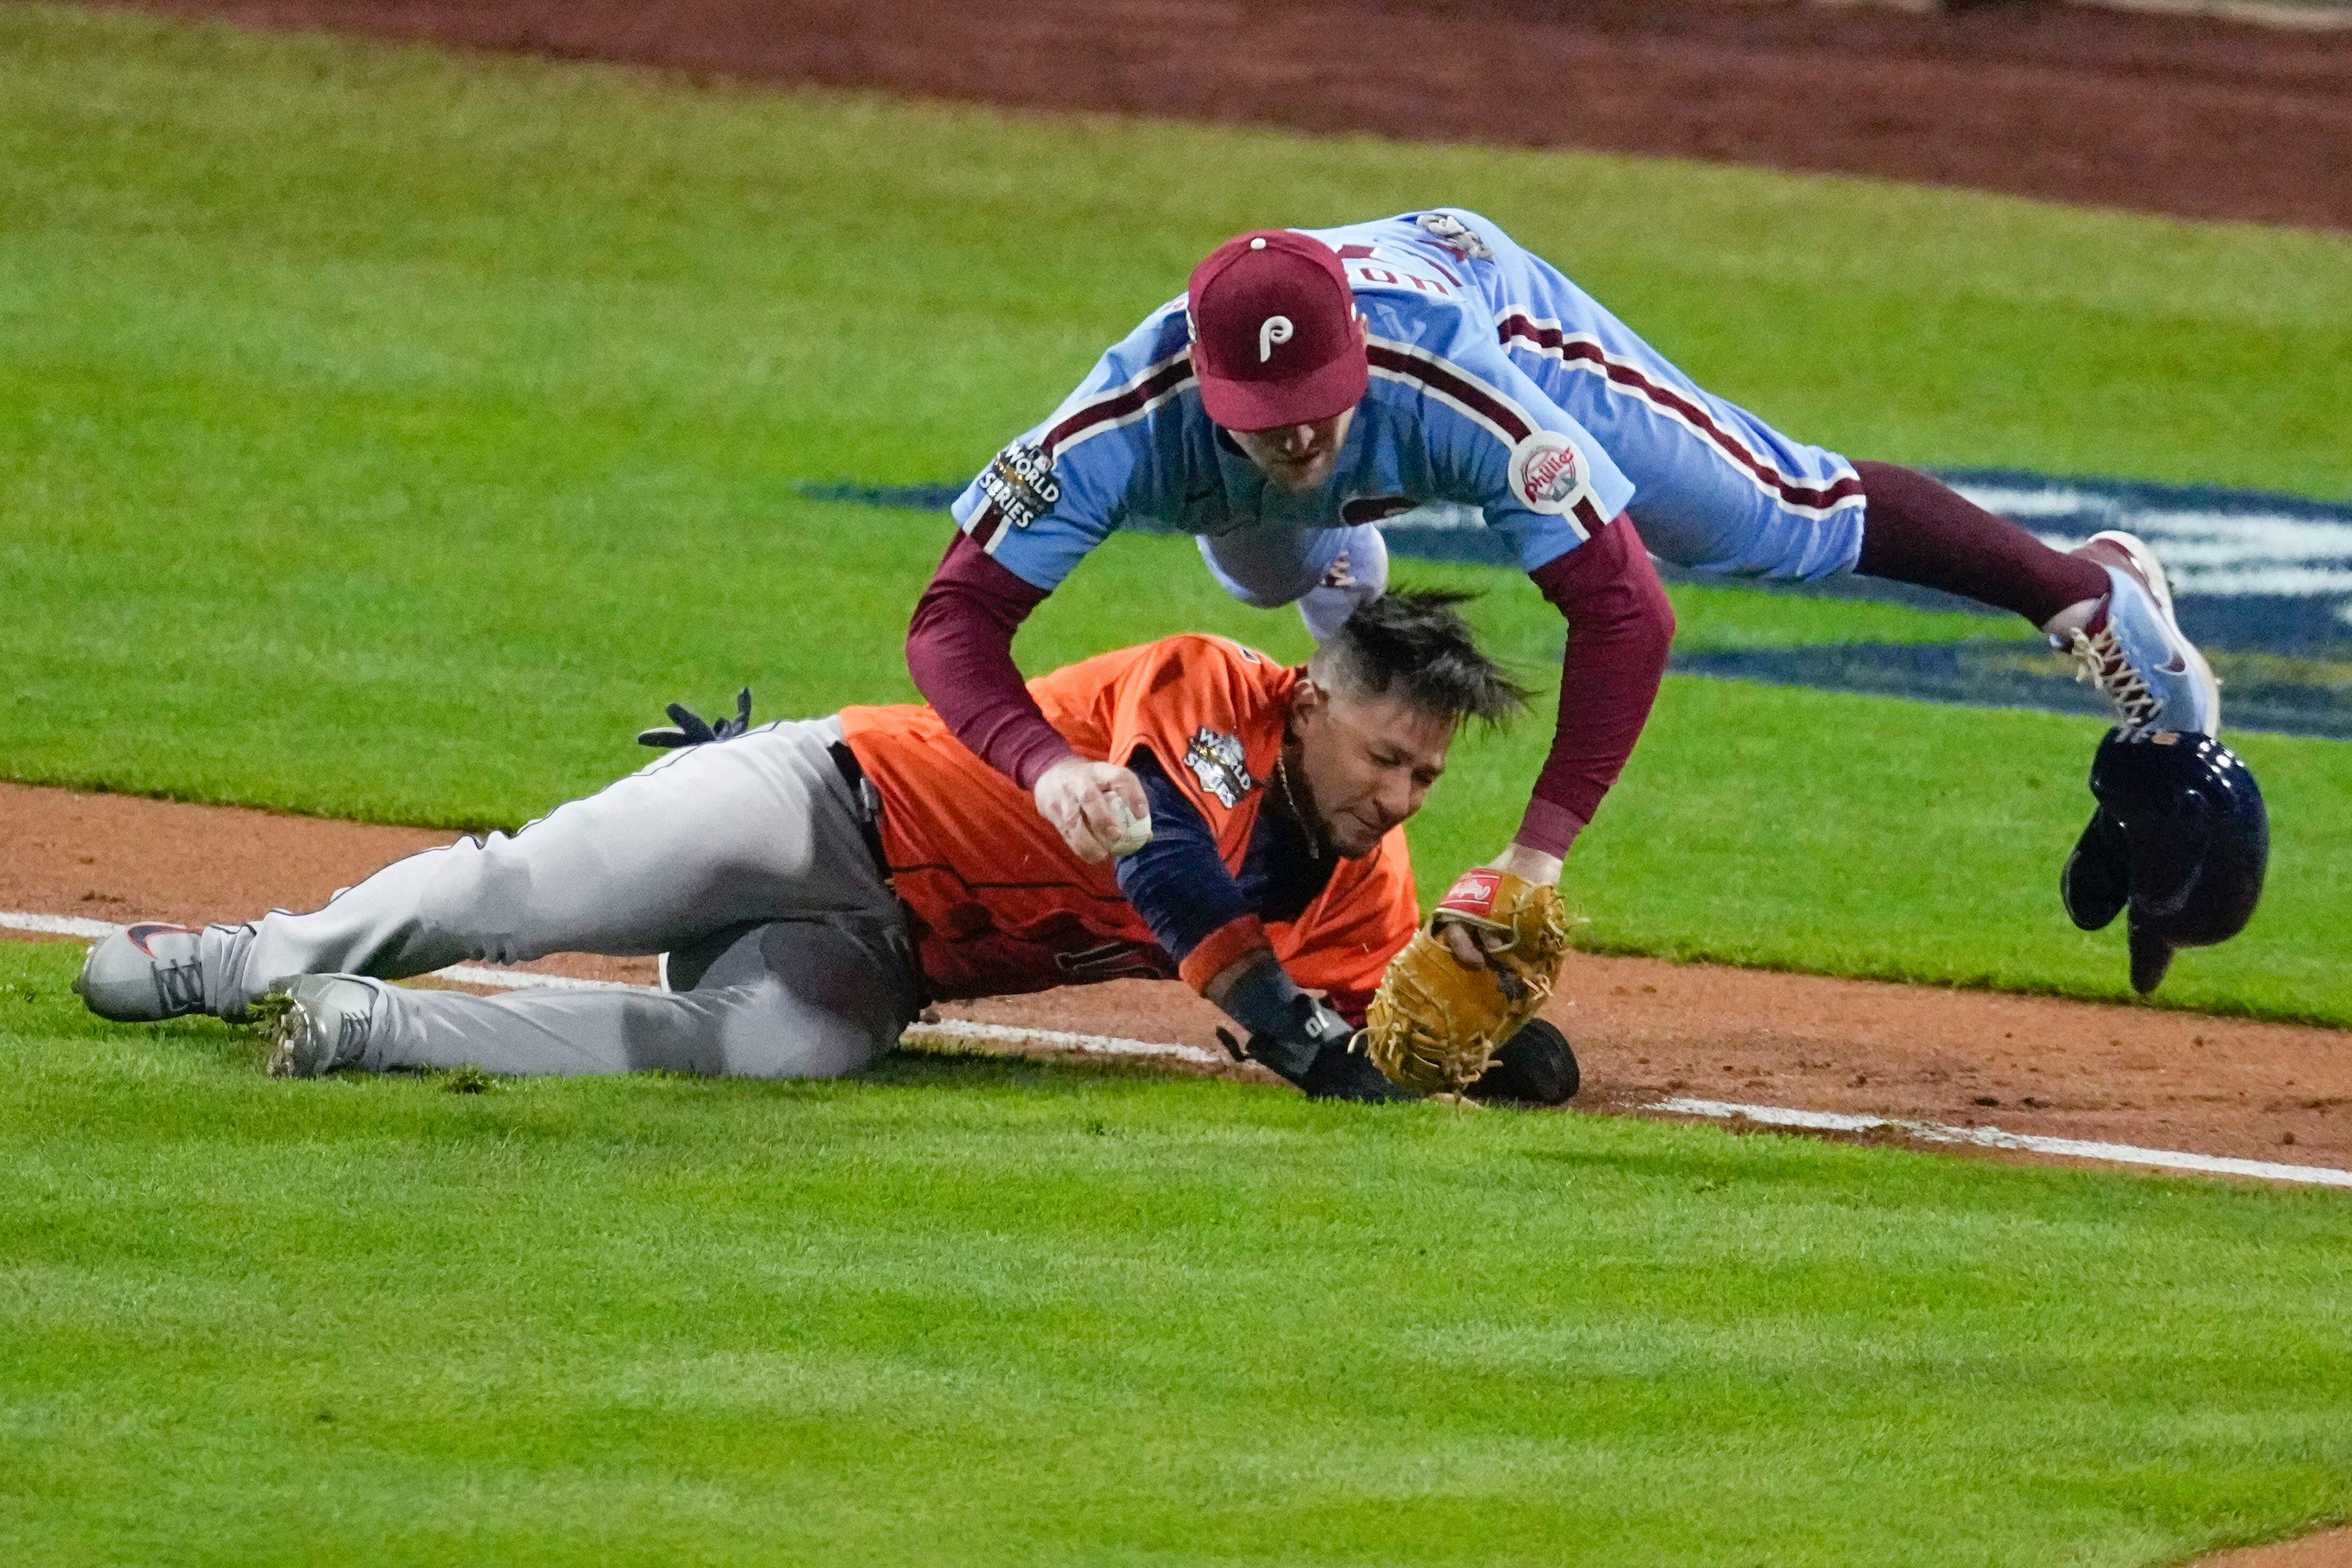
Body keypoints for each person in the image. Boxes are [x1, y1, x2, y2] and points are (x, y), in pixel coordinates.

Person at [907, 208, 2219, 955]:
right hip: (1276, 506)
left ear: (1354, 355)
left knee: (1765, 519)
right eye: (1264, 415)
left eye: (1316, 405)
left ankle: (2090, 596)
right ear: (1199, 384)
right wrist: (1042, 762)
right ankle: (1341, 575)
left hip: (1492, 296)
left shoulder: (1454, 384)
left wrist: (1534, 859)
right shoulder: (1108, 430)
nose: (1300, 432)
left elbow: (1622, 606)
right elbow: (956, 617)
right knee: (1263, 564)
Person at [73, 592, 1549, 1101]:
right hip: (818, 799)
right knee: (518, 889)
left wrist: (1513, 1056)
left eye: (1428, 773)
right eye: (1386, 755)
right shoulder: (1209, 694)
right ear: (1311, 707)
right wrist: (1287, 1033)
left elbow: (1380, 1030)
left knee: (782, 1052)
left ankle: (366, 1027)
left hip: (877, 952)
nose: (1405, 795)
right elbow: (1164, 871)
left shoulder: (1366, 880)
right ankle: (230, 958)